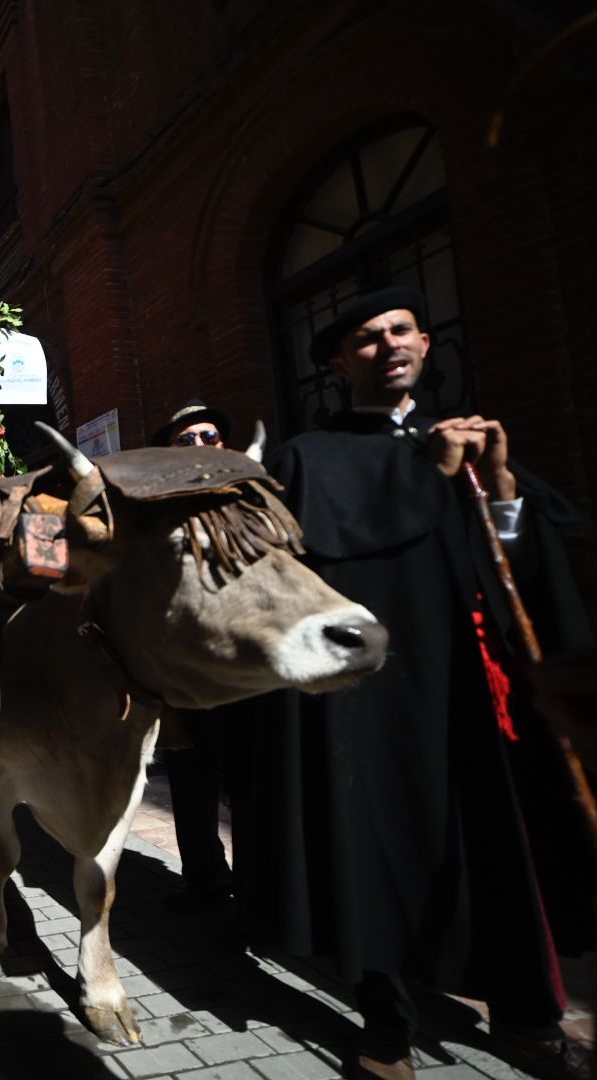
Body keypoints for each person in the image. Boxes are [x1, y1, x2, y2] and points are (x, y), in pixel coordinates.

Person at [241, 288, 594, 1080]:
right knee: (374, 857)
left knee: (510, 853)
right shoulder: (309, 457)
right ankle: (386, 1027)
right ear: (338, 364)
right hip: (378, 706)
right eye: (365, 339)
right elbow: (332, 570)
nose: (387, 344)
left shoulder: (465, 441)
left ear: (427, 345)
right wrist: (426, 480)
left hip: (482, 699)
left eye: (401, 331)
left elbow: (514, 580)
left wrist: (502, 494)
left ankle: (530, 1019)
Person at [150, 400, 250, 913]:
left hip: (248, 668)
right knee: (192, 783)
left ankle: (261, 892)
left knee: (251, 784)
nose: (200, 446)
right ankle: (205, 880)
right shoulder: (153, 508)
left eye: (208, 436)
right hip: (187, 670)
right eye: (186, 440)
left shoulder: (250, 498)